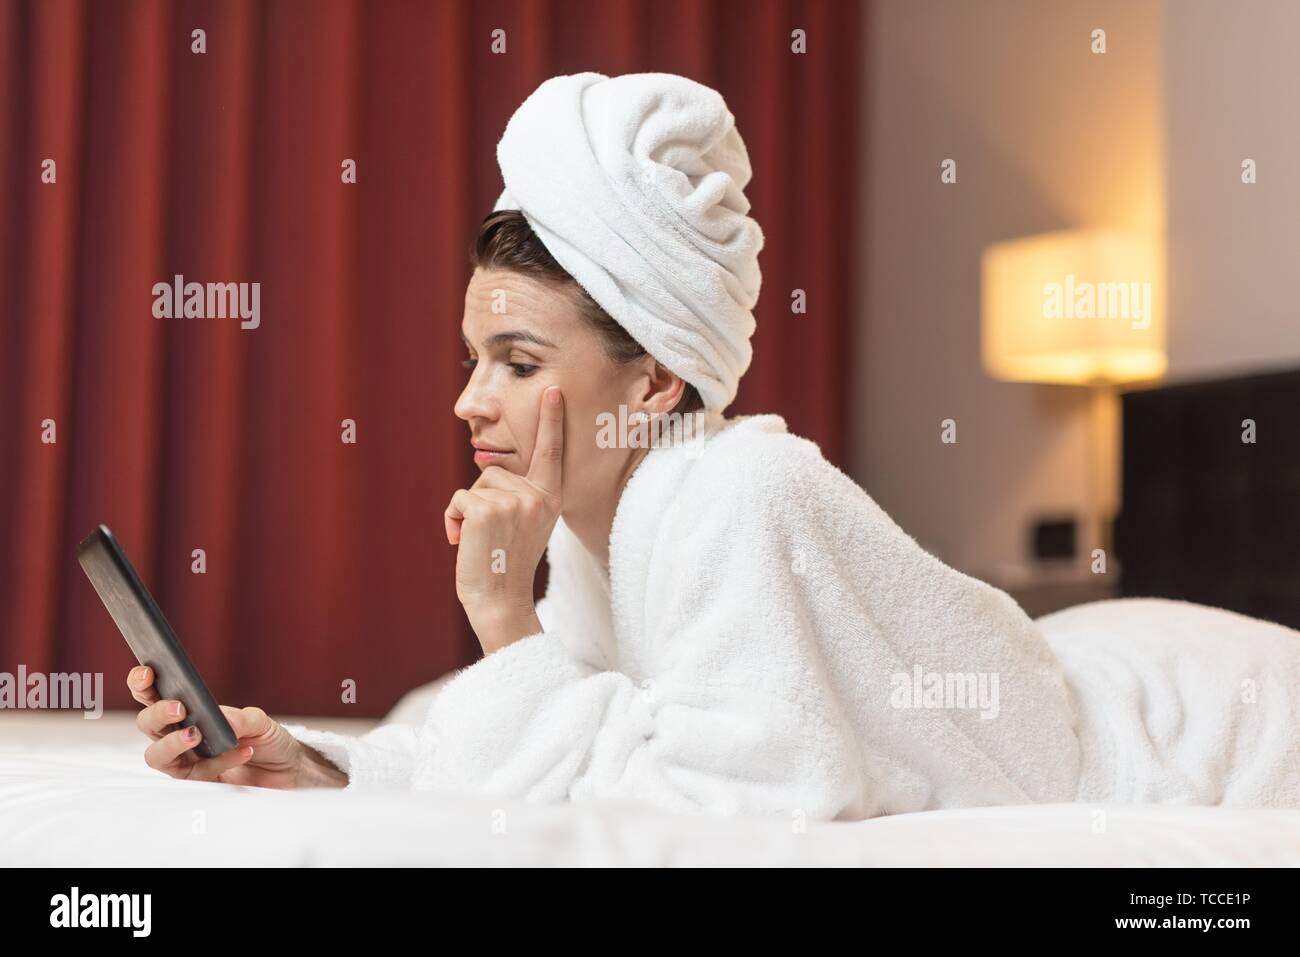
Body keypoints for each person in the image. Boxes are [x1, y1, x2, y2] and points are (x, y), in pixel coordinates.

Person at [128, 72, 1300, 819]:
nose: (468, 404)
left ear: (655, 375)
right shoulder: (602, 527)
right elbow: (567, 754)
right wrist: (315, 767)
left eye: (520, 364)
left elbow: (743, 797)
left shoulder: (744, 486)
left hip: (1201, 713)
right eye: (476, 357)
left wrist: (503, 622)